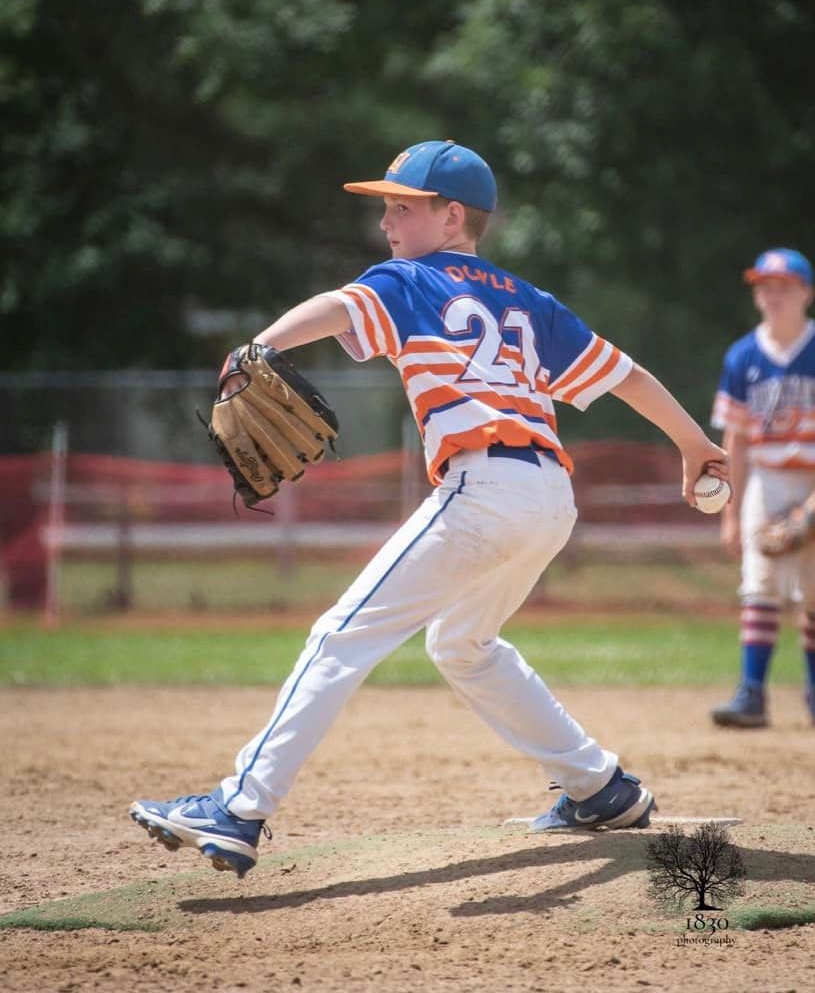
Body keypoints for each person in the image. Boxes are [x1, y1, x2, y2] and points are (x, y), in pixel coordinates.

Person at [129, 140, 728, 877]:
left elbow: (340, 306)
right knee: (461, 644)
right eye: (385, 206)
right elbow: (624, 375)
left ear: (451, 217)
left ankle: (238, 808)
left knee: (338, 637)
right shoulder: (529, 301)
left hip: (483, 490)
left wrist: (259, 344)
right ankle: (599, 788)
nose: (385, 220)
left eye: (401, 206)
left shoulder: (409, 280)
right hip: (547, 498)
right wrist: (693, 441)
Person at [710, 248, 815, 728]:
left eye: (783, 285)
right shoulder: (743, 355)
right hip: (766, 479)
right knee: (760, 583)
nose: (772, 294)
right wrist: (731, 511)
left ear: (806, 293)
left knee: (813, 591)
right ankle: (751, 695)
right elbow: (735, 437)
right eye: (763, 285)